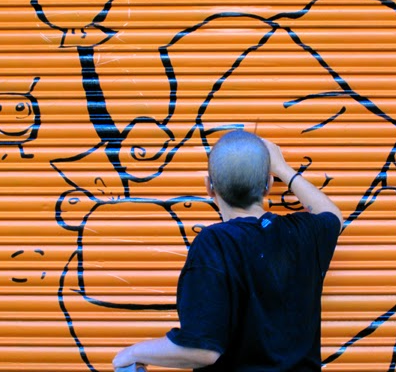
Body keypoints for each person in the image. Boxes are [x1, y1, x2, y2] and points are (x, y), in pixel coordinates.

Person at [113, 130, 343, 371]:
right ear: (268, 185)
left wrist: (131, 353)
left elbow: (202, 350)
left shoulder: (215, 244)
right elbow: (332, 215)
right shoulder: (302, 233)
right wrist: (282, 168)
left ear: (209, 186)